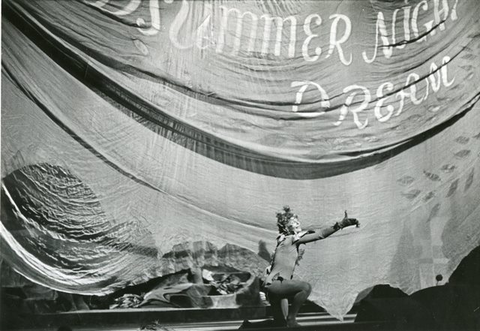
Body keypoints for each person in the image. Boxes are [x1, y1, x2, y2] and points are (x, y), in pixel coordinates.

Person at [241, 206, 359, 328]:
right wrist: (341, 224)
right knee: (305, 288)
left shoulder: (283, 241)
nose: (298, 223)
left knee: (280, 325)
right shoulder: (292, 239)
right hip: (276, 285)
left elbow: (281, 261)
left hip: (273, 288)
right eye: (294, 221)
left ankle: (249, 327)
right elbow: (321, 234)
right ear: (287, 227)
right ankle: (292, 319)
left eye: (297, 220)